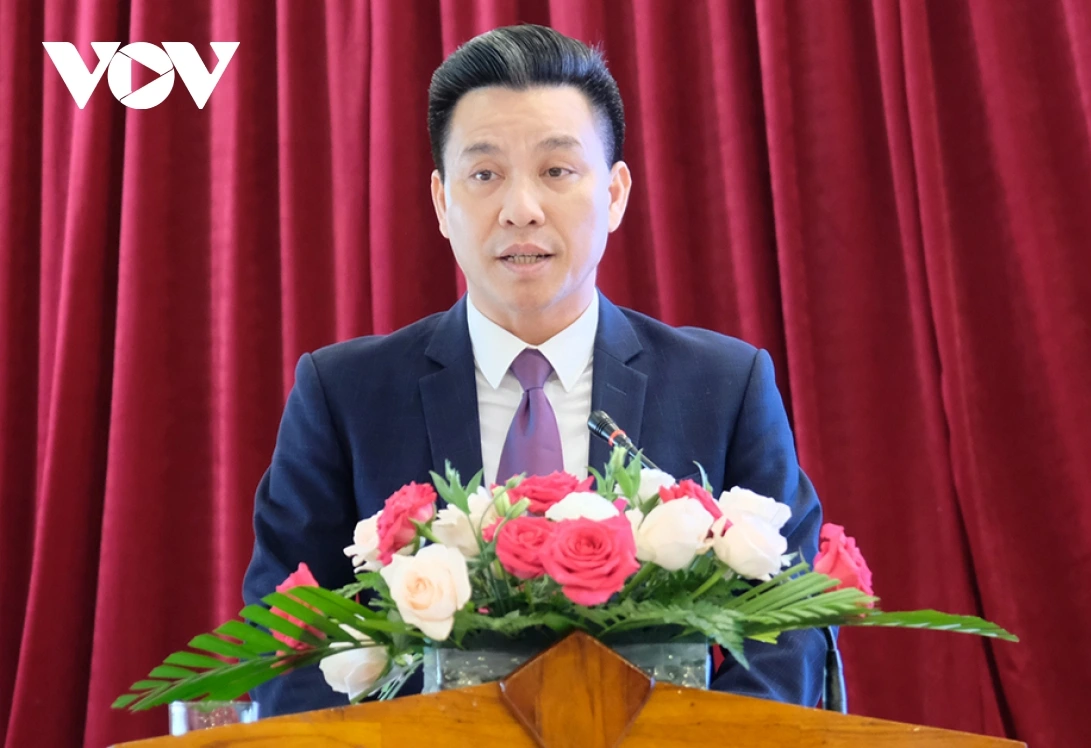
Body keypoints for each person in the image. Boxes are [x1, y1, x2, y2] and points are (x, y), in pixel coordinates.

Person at [243, 23, 826, 717]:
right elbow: (288, 644)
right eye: (485, 175)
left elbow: (788, 638)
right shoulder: (344, 397)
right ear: (442, 202)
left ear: (614, 194)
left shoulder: (725, 389)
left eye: (556, 171)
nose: (520, 210)